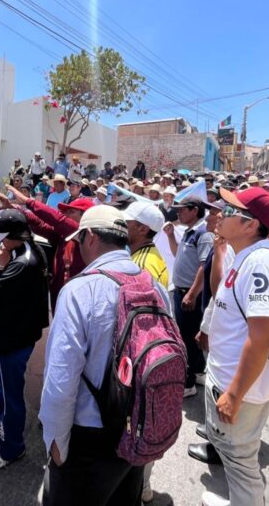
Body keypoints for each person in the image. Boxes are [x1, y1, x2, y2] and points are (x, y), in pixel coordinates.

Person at [40, 205, 171, 506]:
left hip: (89, 438)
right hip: (137, 429)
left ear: (88, 237)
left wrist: (56, 441)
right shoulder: (155, 285)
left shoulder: (79, 290)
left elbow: (60, 379)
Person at [199, 187, 269, 506]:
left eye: (229, 210)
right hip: (226, 376)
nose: (219, 214)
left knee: (240, 462)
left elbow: (263, 335)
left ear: (251, 224)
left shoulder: (262, 263)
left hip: (240, 387)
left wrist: (235, 394)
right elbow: (223, 297)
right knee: (230, 451)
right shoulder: (245, 255)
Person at [0, 210, 49, 470]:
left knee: (12, 395)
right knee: (3, 382)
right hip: (23, 329)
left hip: (11, 335)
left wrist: (0, 265)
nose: (0, 243)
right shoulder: (35, 248)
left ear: (14, 236)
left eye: (2, 238)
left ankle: (11, 448)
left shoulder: (19, 263)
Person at [120, 201, 167, 503]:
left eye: (128, 222)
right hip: (145, 355)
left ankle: (137, 487)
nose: (123, 227)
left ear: (141, 228)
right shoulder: (141, 255)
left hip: (141, 357)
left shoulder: (144, 264)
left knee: (136, 425)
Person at [164, 196, 211, 396]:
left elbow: (203, 266)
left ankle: (188, 383)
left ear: (194, 210)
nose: (178, 213)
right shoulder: (189, 232)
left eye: (182, 209)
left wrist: (191, 293)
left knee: (187, 338)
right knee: (189, 336)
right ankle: (198, 372)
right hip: (183, 292)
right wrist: (170, 236)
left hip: (190, 294)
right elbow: (177, 254)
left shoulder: (203, 234)